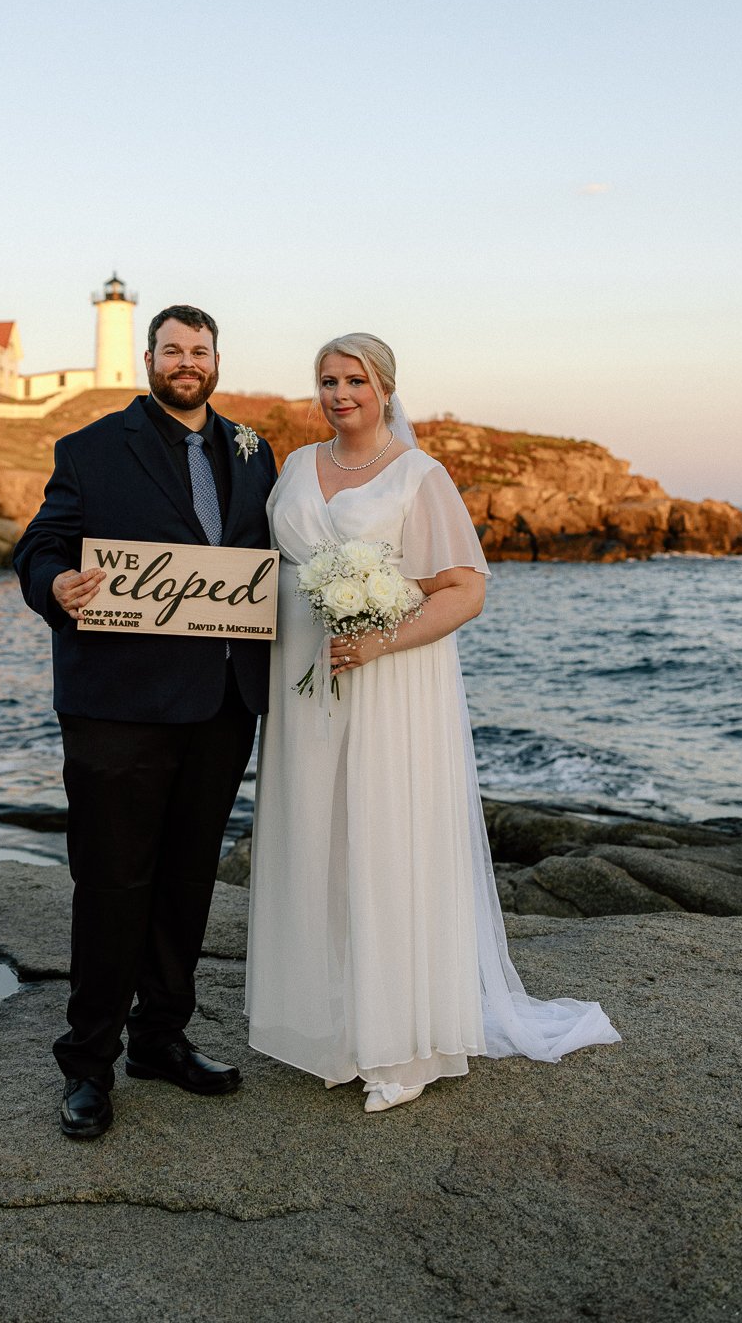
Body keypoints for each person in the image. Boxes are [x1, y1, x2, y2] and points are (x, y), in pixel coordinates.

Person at [246, 333, 619, 1111]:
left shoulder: (421, 475)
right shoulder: (291, 467)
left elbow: (463, 588)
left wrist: (381, 640)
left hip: (391, 685)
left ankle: (404, 1040)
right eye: (326, 381)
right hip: (304, 686)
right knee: (315, 837)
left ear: (384, 387)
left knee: (386, 840)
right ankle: (328, 1023)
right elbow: (263, 571)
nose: (339, 393)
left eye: (354, 380)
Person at [15, 304, 278, 1139]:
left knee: (187, 880)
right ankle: (87, 1064)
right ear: (150, 358)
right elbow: (43, 547)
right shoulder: (90, 449)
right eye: (173, 350)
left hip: (222, 703)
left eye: (200, 351)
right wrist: (54, 587)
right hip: (118, 706)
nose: (187, 363)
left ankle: (160, 1038)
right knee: (112, 885)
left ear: (216, 360)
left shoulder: (254, 450)